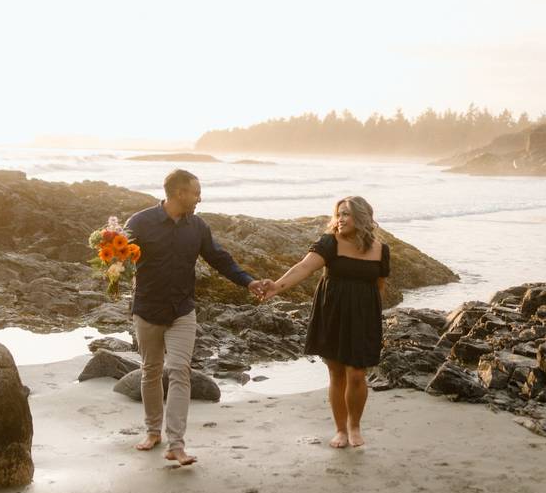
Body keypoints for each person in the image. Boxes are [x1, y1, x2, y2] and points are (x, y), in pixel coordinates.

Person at [126, 169, 268, 465]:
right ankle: (153, 431)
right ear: (179, 193)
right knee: (151, 370)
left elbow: (219, 258)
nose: (199, 198)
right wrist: (113, 262)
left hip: (182, 310)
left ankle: (176, 444)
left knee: (180, 371)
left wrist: (248, 281)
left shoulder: (198, 227)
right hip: (147, 309)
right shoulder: (140, 223)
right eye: (195, 192)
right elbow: (120, 257)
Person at [262, 196, 389, 448]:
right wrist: (277, 287)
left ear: (362, 218)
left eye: (346, 214)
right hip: (332, 311)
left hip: (363, 315)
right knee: (337, 373)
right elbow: (304, 267)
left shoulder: (380, 250)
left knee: (357, 373)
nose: (340, 219)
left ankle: (355, 426)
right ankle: (341, 430)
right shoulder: (329, 242)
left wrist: (373, 318)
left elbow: (380, 286)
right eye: (338, 214)